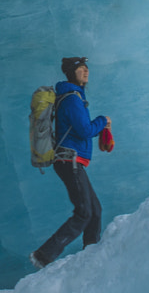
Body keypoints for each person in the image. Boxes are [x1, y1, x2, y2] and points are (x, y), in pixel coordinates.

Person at [31, 56, 112, 268]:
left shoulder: (72, 97)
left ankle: (91, 254)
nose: (86, 72)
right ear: (71, 73)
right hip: (69, 159)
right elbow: (85, 130)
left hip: (72, 160)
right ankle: (43, 255)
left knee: (95, 210)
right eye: (81, 69)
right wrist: (103, 121)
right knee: (84, 211)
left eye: (87, 69)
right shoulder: (72, 99)